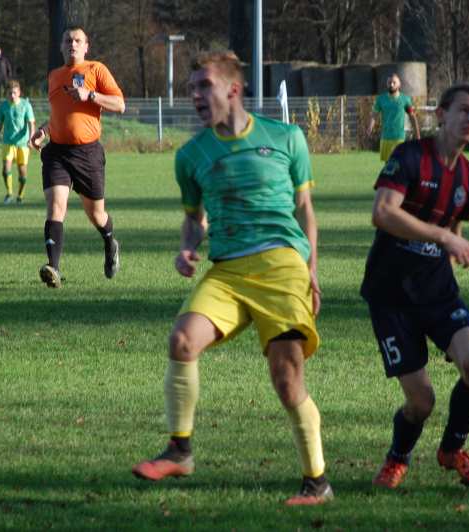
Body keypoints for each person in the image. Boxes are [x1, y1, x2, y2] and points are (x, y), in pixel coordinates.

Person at [131, 50, 332, 506]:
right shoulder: (191, 155)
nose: (196, 96)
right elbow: (193, 218)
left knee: (286, 379)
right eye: (191, 89)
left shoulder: (286, 137)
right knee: (182, 340)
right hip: (227, 270)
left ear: (233, 89)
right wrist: (187, 246)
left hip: (281, 266)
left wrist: (312, 270)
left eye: (204, 86)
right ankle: (180, 451)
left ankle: (317, 482)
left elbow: (306, 213)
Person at [361, 83, 469, 491]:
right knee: (422, 402)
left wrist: (452, 245)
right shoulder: (410, 157)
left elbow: (453, 227)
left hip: (437, 291)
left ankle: (452, 450)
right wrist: (443, 238)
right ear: (441, 115)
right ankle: (397, 458)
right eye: (464, 111)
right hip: (390, 295)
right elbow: (382, 213)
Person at [29, 26, 124, 288]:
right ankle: (53, 268)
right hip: (57, 152)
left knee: (96, 214)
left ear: (86, 46)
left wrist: (90, 95)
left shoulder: (96, 70)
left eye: (77, 40)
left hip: (88, 154)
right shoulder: (54, 76)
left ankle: (109, 241)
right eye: (68, 40)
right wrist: (44, 130)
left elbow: (120, 104)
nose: (72, 44)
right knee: (56, 207)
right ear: (61, 46)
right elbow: (61, 114)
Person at [0, 80, 35, 204]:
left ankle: (20, 195)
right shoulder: (3, 106)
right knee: (5, 169)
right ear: (6, 94)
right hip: (8, 143)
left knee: (22, 172)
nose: (12, 95)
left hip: (23, 144)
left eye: (14, 93)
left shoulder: (26, 105)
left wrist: (31, 139)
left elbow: (31, 123)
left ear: (19, 92)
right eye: (10, 93)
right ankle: (9, 193)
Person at [368, 73, 421, 161]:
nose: (391, 85)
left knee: (399, 163)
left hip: (399, 138)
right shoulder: (380, 99)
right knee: (387, 165)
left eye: (394, 82)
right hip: (385, 137)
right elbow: (374, 114)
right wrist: (370, 127)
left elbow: (412, 116)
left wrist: (417, 134)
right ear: (387, 84)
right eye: (389, 83)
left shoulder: (405, 99)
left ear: (399, 84)